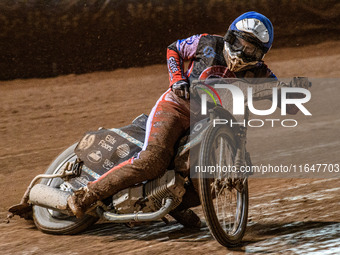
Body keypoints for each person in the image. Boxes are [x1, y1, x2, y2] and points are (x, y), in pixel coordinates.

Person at [67, 11, 289, 226]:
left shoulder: (261, 73)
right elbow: (174, 49)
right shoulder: (207, 42)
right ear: (230, 37)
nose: (242, 54)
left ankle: (173, 205)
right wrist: (177, 79)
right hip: (177, 107)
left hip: (209, 125)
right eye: (240, 44)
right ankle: (85, 195)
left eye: (251, 51)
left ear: (260, 56)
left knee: (210, 182)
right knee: (152, 162)